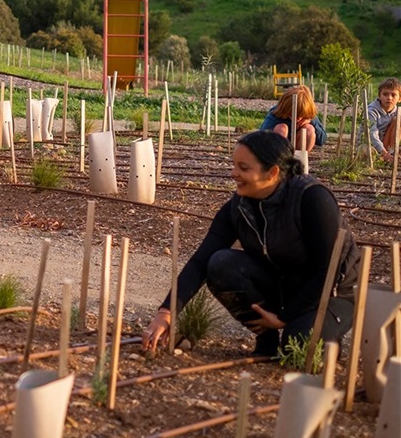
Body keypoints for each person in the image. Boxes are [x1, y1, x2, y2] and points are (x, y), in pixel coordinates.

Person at [142, 130, 359, 357]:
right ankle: (266, 338)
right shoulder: (239, 207)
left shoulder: (312, 198)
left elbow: (327, 272)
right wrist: (166, 312)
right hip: (286, 286)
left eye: (244, 168)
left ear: (273, 172)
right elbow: (200, 261)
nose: (234, 174)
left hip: (333, 292)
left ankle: (319, 332)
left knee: (298, 350)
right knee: (221, 264)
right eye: (234, 166)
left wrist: (284, 318)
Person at [259, 85, 326, 151]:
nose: (298, 118)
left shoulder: (308, 113)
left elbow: (322, 140)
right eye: (294, 114)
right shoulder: (277, 113)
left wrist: (312, 122)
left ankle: (301, 159)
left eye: (301, 115)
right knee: (282, 128)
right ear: (286, 109)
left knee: (309, 129)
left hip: (298, 148)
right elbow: (261, 136)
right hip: (280, 149)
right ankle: (279, 158)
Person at [362, 77, 400, 161]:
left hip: (386, 145)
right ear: (379, 96)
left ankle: (392, 154)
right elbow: (372, 135)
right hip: (369, 144)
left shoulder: (397, 111)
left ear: (399, 98)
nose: (389, 98)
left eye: (393, 95)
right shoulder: (371, 111)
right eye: (385, 94)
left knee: (398, 119)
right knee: (365, 151)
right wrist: (384, 153)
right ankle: (384, 157)